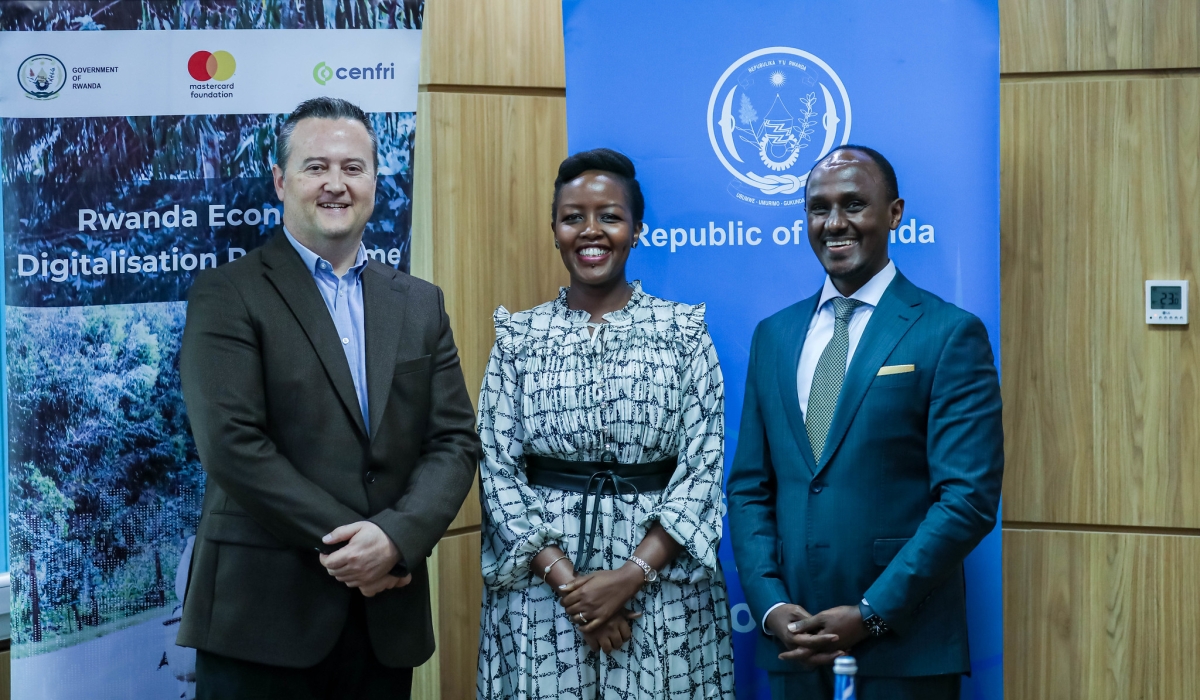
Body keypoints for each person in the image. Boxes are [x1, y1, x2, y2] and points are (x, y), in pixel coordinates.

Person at [178, 97, 480, 700]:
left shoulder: (420, 303)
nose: (336, 184)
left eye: (354, 167)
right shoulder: (228, 294)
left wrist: (395, 540)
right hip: (262, 621)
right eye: (316, 167)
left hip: (384, 624)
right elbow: (233, 447)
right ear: (280, 180)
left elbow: (453, 441)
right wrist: (358, 545)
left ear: (375, 180)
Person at [726, 146, 1003, 700]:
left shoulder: (948, 333)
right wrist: (773, 607)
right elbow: (750, 488)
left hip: (903, 650)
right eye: (818, 208)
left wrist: (871, 614)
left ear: (895, 213)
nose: (834, 224)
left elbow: (967, 500)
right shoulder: (773, 335)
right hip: (793, 649)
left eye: (854, 205)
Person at [475, 148, 735, 699]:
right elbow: (497, 472)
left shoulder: (683, 335)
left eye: (609, 216)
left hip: (660, 589)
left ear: (636, 229)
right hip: (542, 591)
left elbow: (703, 470)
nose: (591, 232)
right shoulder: (519, 340)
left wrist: (628, 579)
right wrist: (575, 591)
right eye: (573, 217)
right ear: (554, 229)